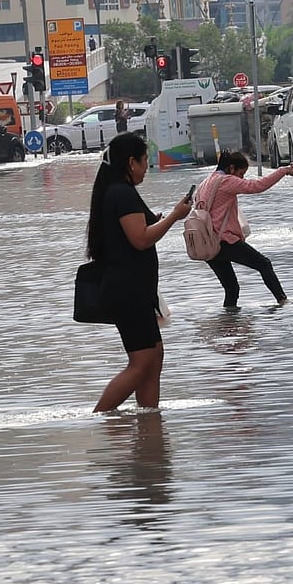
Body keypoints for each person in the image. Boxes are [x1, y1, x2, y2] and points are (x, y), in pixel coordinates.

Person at [87, 133, 192, 412]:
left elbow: (134, 235)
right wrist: (173, 217)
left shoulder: (117, 191)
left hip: (135, 290)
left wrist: (157, 221)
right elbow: (140, 239)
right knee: (142, 362)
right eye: (145, 161)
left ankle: (149, 420)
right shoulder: (121, 193)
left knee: (154, 356)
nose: (147, 167)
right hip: (128, 291)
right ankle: (100, 416)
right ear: (131, 162)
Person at [197, 150, 293, 307]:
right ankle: (283, 302)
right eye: (241, 173)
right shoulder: (226, 181)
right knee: (263, 264)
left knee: (231, 289)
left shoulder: (206, 183)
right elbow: (257, 186)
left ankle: (227, 326)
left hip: (207, 243)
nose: (242, 178)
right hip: (225, 241)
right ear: (231, 169)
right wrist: (283, 171)